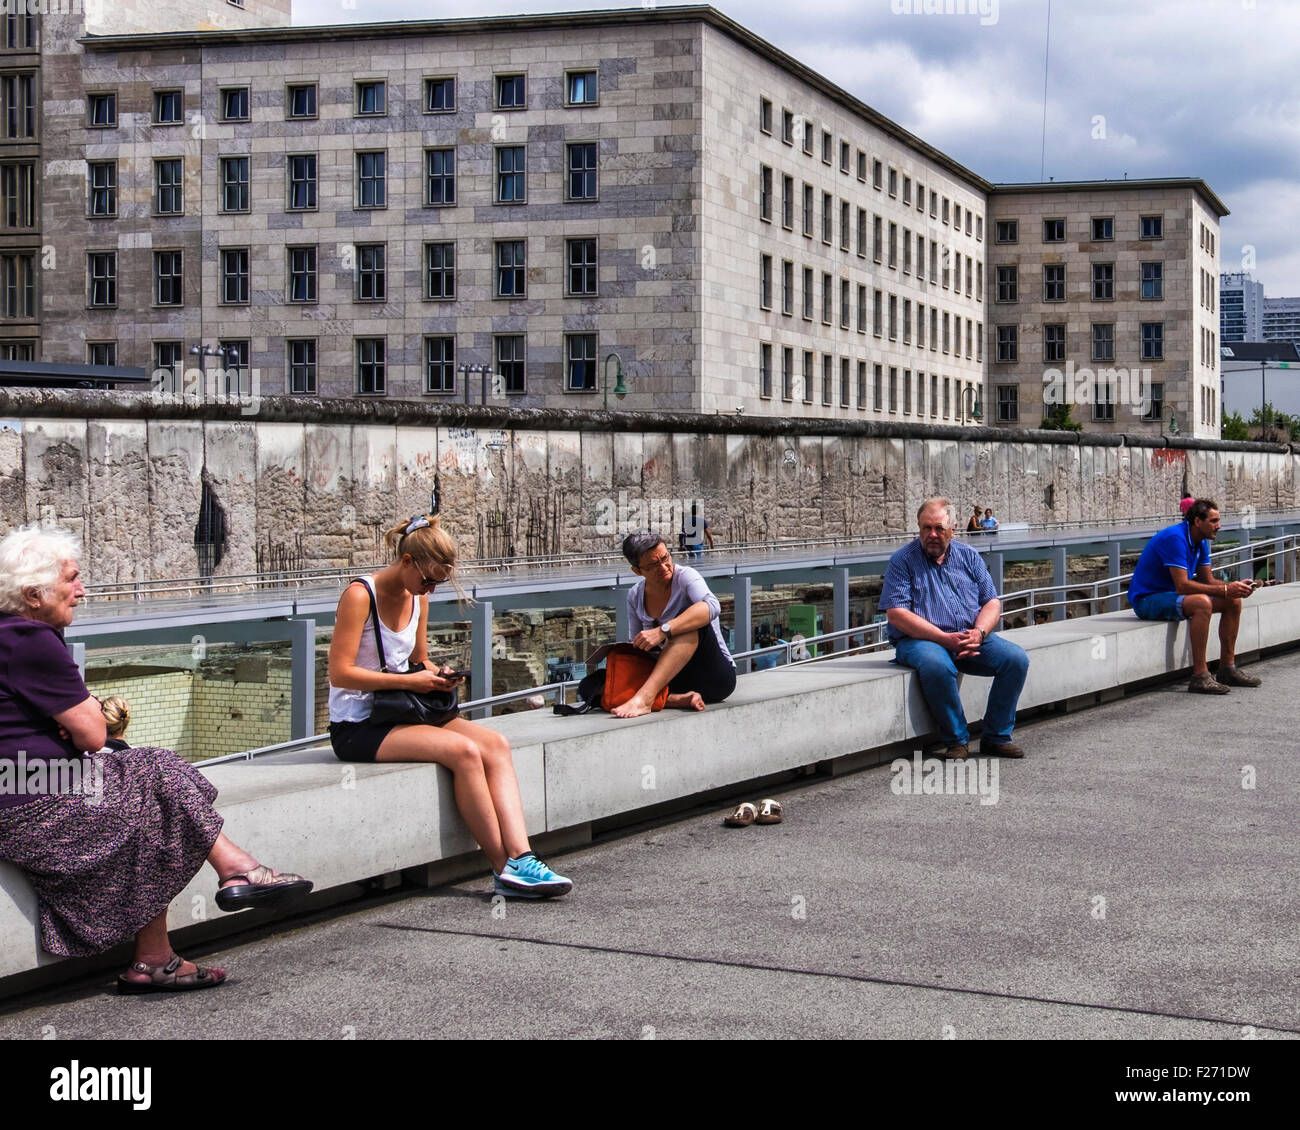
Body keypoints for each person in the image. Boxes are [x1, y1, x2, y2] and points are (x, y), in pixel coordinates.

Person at [0, 526, 312, 994]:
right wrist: (82, 721)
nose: (82, 590)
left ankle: (156, 959)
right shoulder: (30, 639)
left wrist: (76, 721)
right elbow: (91, 734)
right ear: (33, 594)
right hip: (34, 807)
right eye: (72, 579)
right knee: (155, 769)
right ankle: (237, 871)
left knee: (148, 790)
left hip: (24, 795)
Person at [327, 514, 571, 899]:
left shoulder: (417, 599)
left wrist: (436, 674)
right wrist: (411, 681)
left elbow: (418, 659)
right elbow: (340, 674)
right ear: (407, 562)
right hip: (358, 725)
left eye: (438, 583)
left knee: (496, 744)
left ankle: (523, 856)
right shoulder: (360, 595)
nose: (431, 589)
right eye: (428, 580)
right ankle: (502, 869)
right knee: (464, 752)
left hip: (401, 710)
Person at [879, 497, 1030, 760]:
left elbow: (992, 602)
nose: (932, 535)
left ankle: (996, 737)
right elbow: (897, 614)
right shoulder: (902, 561)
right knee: (938, 666)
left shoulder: (968, 556)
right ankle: (957, 740)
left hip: (968, 635)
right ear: (918, 528)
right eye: (926, 528)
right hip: (920, 640)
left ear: (954, 529)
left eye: (939, 528)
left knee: (1016, 660)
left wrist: (979, 633)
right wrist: (943, 639)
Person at [1127, 499, 1261, 694]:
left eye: (1218, 520)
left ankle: (1227, 669)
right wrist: (1224, 590)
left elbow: (1208, 580)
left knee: (1232, 601)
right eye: (1214, 521)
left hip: (1172, 596)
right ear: (1198, 521)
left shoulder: (1201, 541)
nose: (1219, 526)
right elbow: (1182, 586)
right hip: (1149, 599)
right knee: (1201, 603)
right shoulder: (1175, 538)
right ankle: (1200, 676)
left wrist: (1234, 587)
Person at [616, 530, 736, 717]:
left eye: (665, 558)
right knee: (591, 684)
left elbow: (712, 606)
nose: (664, 567)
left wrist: (663, 631)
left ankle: (646, 699)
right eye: (654, 565)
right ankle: (675, 699)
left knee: (688, 623)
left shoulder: (686, 576)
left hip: (712, 676)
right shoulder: (634, 595)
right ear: (637, 571)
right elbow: (637, 646)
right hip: (670, 678)